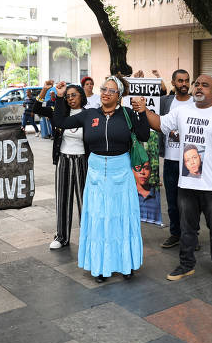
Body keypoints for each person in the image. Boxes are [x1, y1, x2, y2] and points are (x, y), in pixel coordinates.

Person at [138, 74, 212, 285]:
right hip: (186, 184)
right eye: (197, 84)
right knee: (187, 230)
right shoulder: (181, 111)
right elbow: (159, 124)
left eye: (205, 85)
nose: (198, 87)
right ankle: (186, 265)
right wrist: (144, 109)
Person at [53, 76, 149, 282]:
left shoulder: (128, 114)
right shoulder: (89, 115)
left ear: (119, 95)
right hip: (95, 171)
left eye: (111, 90)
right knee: (99, 218)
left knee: (122, 217)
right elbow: (60, 121)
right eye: (104, 88)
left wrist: (142, 112)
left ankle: (126, 265)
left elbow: (144, 136)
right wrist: (60, 98)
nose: (105, 92)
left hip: (121, 171)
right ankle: (99, 267)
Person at [34, 80, 88, 250]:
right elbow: (35, 110)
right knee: (62, 198)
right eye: (68, 95)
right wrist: (45, 90)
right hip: (63, 159)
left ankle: (88, 236)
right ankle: (61, 236)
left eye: (74, 95)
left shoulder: (90, 115)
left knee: (84, 201)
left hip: (83, 161)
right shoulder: (59, 112)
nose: (70, 98)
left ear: (82, 96)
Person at [157, 69, 194, 248]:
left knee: (190, 203)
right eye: (180, 81)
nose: (184, 84)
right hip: (171, 160)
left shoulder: (197, 102)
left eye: (187, 80)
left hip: (190, 160)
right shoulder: (166, 102)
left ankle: (191, 237)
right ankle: (175, 234)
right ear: (173, 82)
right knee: (172, 202)